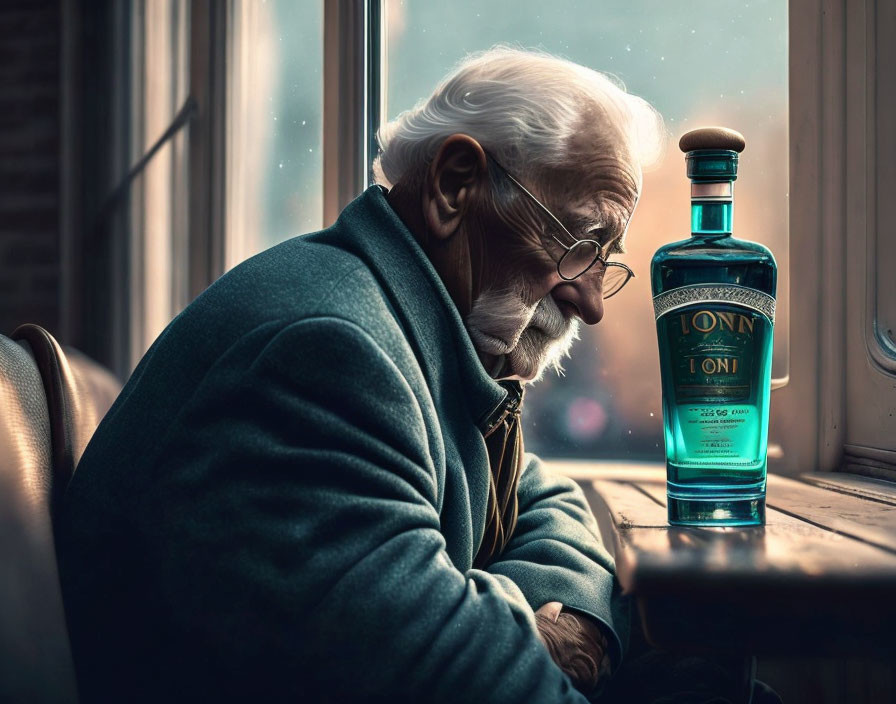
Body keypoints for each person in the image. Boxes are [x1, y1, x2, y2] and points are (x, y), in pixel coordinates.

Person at [56, 47, 665, 703]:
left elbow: (545, 499)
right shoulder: (326, 355)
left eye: (606, 259)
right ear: (455, 186)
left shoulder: (417, 336)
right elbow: (454, 683)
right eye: (578, 243)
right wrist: (524, 637)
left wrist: (565, 624)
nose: (592, 302)